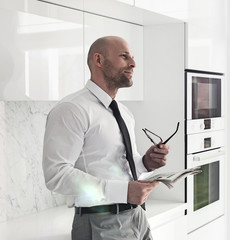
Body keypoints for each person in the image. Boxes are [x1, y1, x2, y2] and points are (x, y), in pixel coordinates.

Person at [42, 36, 169, 240]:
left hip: (137, 217)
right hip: (100, 224)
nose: (133, 64)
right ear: (98, 60)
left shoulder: (124, 113)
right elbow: (56, 174)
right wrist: (123, 192)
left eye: (133, 58)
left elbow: (119, 166)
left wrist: (146, 162)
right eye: (124, 56)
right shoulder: (72, 110)